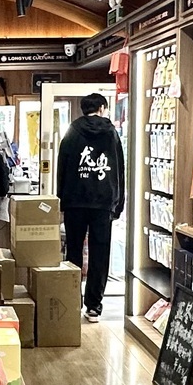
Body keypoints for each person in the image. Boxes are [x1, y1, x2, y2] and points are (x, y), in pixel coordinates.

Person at [56, 93, 124, 322]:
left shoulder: (72, 132)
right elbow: (119, 170)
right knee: (100, 253)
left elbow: (62, 167)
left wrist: (61, 198)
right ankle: (94, 306)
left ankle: (72, 300)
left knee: (73, 250)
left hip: (74, 201)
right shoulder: (111, 133)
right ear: (102, 108)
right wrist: (118, 203)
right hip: (103, 202)